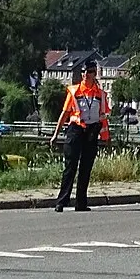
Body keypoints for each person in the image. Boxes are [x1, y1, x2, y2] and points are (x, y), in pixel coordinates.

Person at [49, 61, 111, 212]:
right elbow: (64, 113)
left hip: (91, 132)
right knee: (70, 167)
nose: (85, 75)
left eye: (88, 72)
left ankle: (81, 203)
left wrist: (106, 137)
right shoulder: (74, 91)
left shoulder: (100, 95)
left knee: (86, 168)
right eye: (83, 72)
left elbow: (103, 117)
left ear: (94, 74)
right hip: (75, 130)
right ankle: (62, 201)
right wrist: (55, 134)